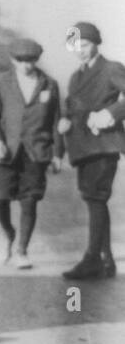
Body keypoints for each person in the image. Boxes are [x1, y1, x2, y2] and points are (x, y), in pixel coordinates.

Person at [0, 38, 61, 270]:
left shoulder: (49, 84)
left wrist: (58, 153)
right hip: (6, 150)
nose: (26, 65)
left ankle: (22, 250)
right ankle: (8, 233)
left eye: (31, 60)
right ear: (12, 60)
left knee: (30, 201)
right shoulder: (1, 82)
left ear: (37, 60)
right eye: (21, 60)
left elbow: (56, 120)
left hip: (36, 151)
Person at [58, 21, 125, 280]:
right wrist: (65, 119)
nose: (80, 51)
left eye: (85, 45)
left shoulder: (111, 69)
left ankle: (92, 259)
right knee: (94, 200)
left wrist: (111, 112)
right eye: (75, 46)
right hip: (83, 147)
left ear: (96, 43)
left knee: (95, 198)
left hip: (104, 143)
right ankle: (106, 259)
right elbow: (73, 106)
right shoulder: (76, 77)